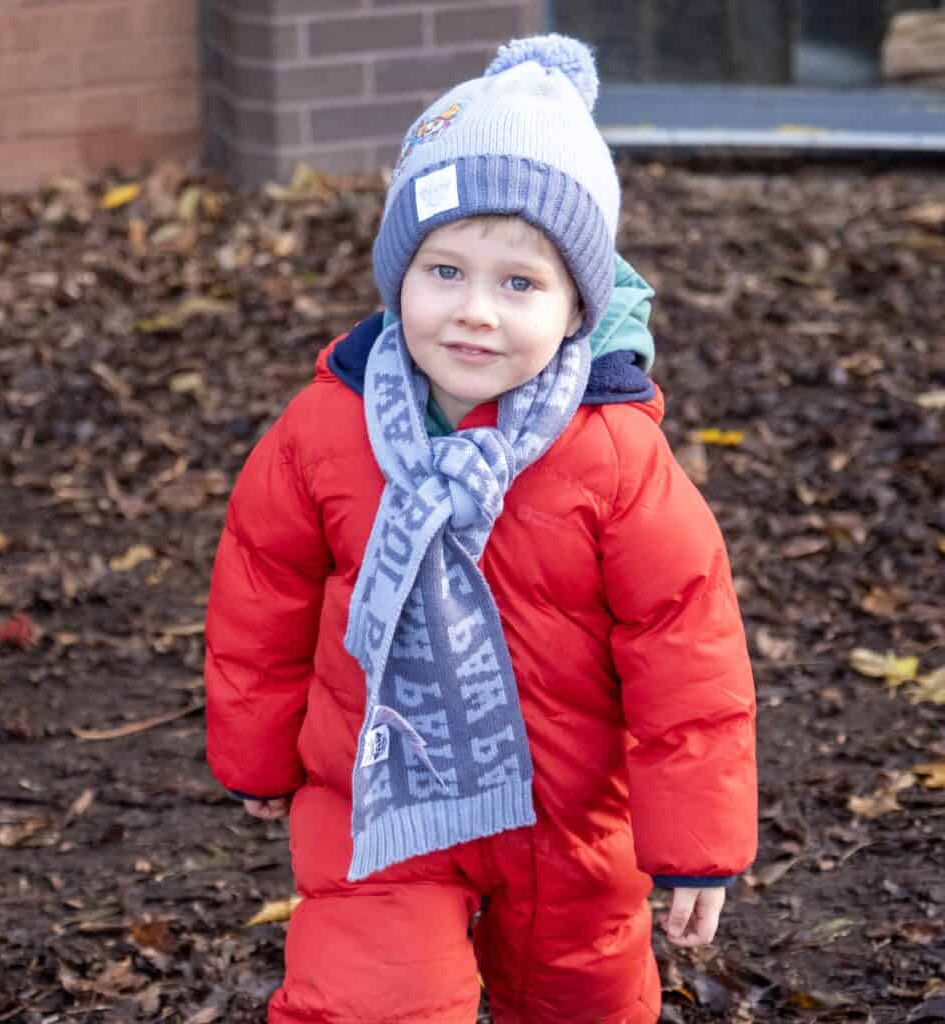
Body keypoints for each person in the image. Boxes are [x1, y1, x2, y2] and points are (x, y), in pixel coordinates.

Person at [204, 34, 756, 1024]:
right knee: (369, 1003)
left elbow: (684, 645)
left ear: (578, 305)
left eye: (519, 284)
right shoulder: (327, 427)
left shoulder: (613, 454)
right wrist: (258, 753)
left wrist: (697, 841)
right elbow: (263, 590)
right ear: (398, 276)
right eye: (445, 270)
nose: (474, 313)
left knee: (580, 1002)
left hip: (567, 815)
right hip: (377, 797)